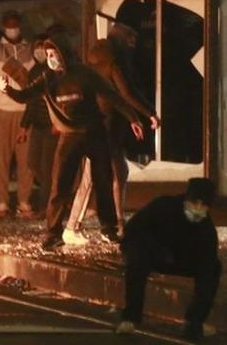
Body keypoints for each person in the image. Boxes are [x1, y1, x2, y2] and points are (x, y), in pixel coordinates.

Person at [0, 34, 143, 248]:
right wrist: (8, 90)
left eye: (54, 54)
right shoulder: (48, 79)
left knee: (103, 180)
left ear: (63, 53)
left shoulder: (84, 73)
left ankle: (109, 229)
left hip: (95, 131)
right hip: (70, 136)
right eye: (48, 55)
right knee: (60, 185)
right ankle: (53, 233)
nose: (50, 58)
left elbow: (111, 94)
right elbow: (26, 96)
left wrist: (133, 118)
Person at [68, 23, 161, 236]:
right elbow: (126, 93)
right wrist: (148, 114)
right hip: (108, 123)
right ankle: (73, 225)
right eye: (131, 40)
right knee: (95, 176)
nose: (133, 45)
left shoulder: (94, 59)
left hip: (99, 121)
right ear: (122, 39)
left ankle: (117, 223)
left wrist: (134, 118)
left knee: (115, 172)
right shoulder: (114, 62)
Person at [116, 177, 220, 340]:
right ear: (186, 201)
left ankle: (194, 320)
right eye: (194, 203)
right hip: (153, 252)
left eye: (203, 205)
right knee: (137, 259)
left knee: (214, 267)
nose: (197, 209)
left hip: (181, 259)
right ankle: (131, 317)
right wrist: (141, 250)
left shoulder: (206, 229)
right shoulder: (163, 206)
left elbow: (208, 259)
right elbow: (133, 230)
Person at [0, 10, 34, 217]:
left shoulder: (29, 51)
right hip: (3, 112)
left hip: (23, 112)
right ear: (4, 27)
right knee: (0, 160)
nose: (12, 29)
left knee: (26, 161)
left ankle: (24, 201)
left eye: (15, 25)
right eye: (9, 25)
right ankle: (2, 202)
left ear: (20, 26)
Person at [17, 36, 54, 216]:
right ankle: (52, 192)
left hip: (51, 127)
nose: (39, 51)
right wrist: (24, 127)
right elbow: (31, 102)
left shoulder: (53, 71)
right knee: (33, 163)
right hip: (38, 126)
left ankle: (45, 207)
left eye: (42, 48)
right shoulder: (33, 72)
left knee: (46, 167)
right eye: (36, 47)